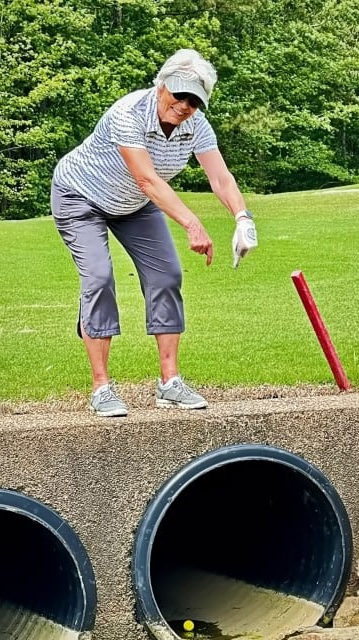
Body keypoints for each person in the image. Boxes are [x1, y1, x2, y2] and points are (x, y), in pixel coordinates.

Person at [51, 48, 258, 417]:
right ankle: (101, 387)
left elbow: (220, 177)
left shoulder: (197, 127)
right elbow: (147, 179)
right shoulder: (128, 113)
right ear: (161, 85)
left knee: (167, 274)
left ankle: (170, 384)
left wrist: (243, 218)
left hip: (132, 204)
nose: (184, 106)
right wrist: (192, 224)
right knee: (98, 278)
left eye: (195, 101)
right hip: (80, 196)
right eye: (180, 94)